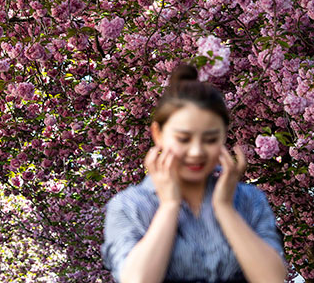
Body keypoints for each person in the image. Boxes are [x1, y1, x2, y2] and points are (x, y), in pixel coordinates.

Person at [101, 64, 286, 283]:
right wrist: (170, 205)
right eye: (183, 139)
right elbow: (137, 279)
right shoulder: (129, 206)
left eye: (210, 139)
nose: (197, 151)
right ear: (158, 134)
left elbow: (271, 278)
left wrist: (225, 209)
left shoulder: (250, 200)